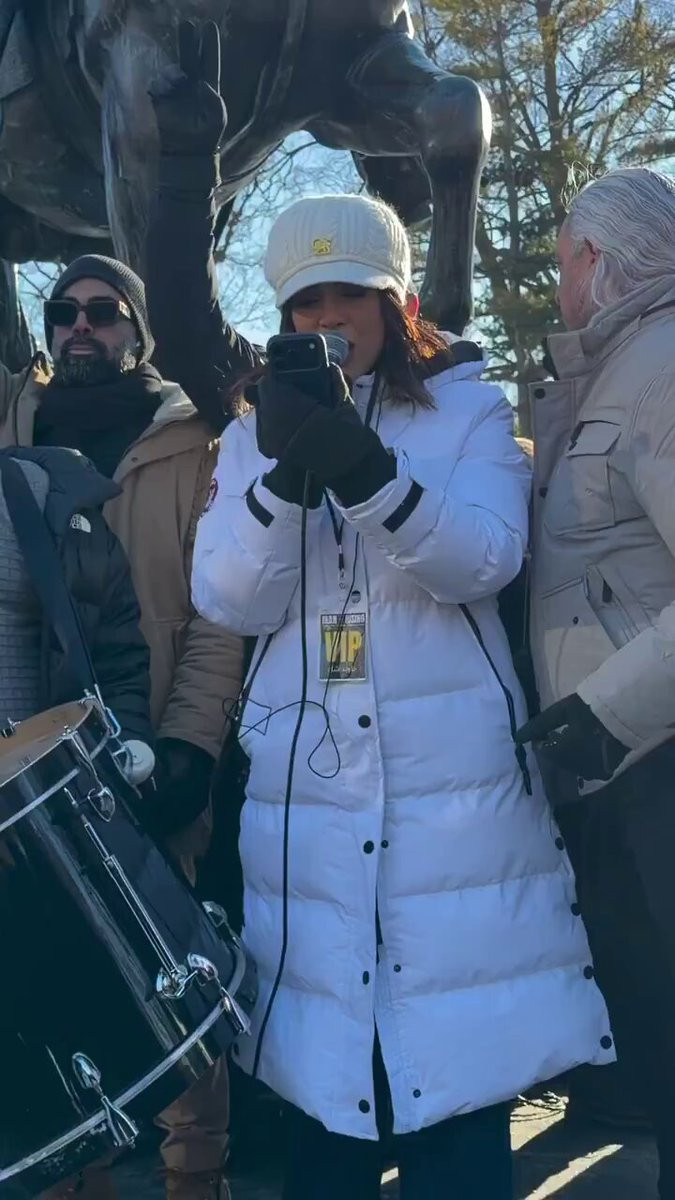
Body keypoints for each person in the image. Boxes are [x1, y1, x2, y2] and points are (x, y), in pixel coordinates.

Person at [181, 183, 614, 1198]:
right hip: (310, 812)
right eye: (306, 301)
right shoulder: (248, 435)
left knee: (454, 1101)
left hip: (452, 807)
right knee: (327, 1105)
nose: (328, 319)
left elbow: (487, 558)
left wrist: (370, 476)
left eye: (350, 294)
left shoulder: (468, 408)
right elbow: (227, 597)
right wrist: (287, 481)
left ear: (397, 302)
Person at [0, 257, 243, 1200]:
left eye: (103, 312)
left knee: (172, 977)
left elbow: (218, 614)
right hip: (34, 758)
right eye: (63, 311)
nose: (80, 327)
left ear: (138, 329)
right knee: (59, 989)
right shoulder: (17, 432)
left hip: (152, 739)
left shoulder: (194, 442)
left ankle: (197, 1181)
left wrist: (187, 747)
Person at [516, 166, 675, 1200]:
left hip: (653, 761)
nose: (556, 282)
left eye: (561, 260)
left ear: (593, 259)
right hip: (623, 770)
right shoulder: (612, 374)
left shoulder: (661, 368)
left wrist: (602, 714)